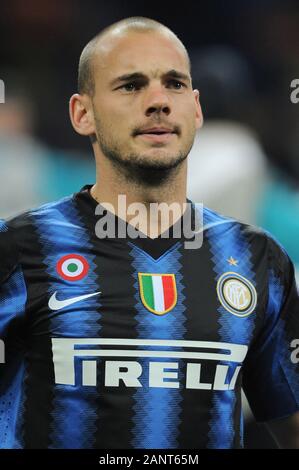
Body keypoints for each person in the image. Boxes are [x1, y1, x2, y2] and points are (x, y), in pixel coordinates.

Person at [0, 16, 298, 450]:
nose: (158, 101)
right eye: (131, 85)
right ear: (83, 114)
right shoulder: (18, 249)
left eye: (174, 84)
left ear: (196, 109)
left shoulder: (258, 259)